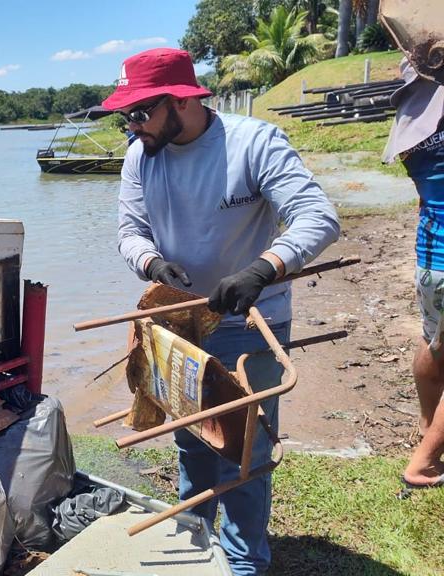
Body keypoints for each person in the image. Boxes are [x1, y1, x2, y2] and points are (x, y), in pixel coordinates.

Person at [104, 48, 339, 575]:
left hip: (250, 322)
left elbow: (317, 217)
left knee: (246, 452)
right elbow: (129, 231)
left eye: (140, 112)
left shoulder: (253, 143)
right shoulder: (141, 155)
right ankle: (194, 539)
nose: (132, 125)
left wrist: (263, 268)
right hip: (180, 322)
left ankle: (242, 562)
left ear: (180, 100)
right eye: (126, 116)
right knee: (191, 438)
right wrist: (152, 264)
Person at [382, 57, 444, 490]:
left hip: (429, 258)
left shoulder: (416, 128)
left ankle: (428, 428)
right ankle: (423, 462)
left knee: (433, 343)